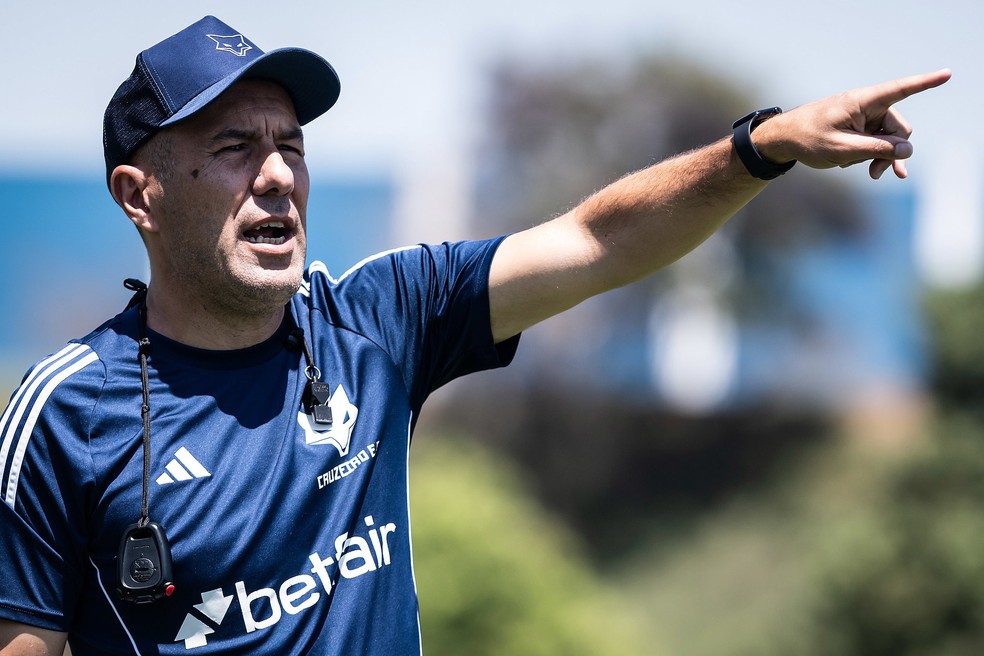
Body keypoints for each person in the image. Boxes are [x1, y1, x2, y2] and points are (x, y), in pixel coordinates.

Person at [0, 14, 949, 656]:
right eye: (233, 149)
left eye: (289, 143)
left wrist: (761, 147)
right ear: (140, 196)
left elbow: (596, 239)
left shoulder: (376, 319)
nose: (279, 175)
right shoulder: (65, 412)